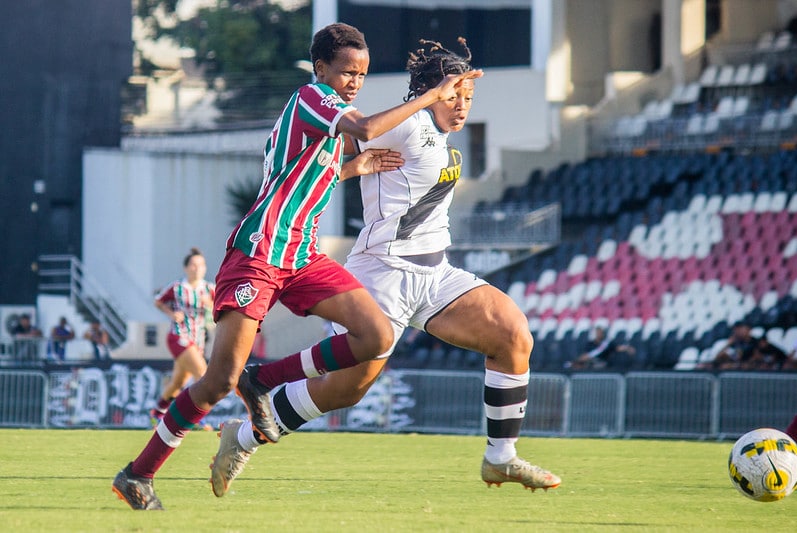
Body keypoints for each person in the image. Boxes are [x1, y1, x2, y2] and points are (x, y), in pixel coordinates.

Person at [112, 22, 482, 510]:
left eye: (362, 74)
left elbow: (309, 173)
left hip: (301, 257)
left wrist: (355, 168)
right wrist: (435, 93)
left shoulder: (326, 120)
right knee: (218, 379)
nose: (354, 81)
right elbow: (367, 129)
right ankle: (138, 474)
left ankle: (262, 380)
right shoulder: (312, 97)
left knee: (375, 336)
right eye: (347, 71)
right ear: (321, 68)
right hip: (260, 254)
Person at [209, 37, 559, 498]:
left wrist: (353, 167)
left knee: (513, 334)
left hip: (436, 274)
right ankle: (244, 433)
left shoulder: (439, 135)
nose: (461, 106)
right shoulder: (410, 123)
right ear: (430, 92)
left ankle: (500, 458)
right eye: (454, 95)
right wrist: (352, 162)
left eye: (468, 98)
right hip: (383, 274)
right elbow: (335, 141)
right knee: (343, 392)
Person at [149, 248, 216, 424]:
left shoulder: (209, 289)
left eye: (201, 265)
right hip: (179, 336)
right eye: (193, 265)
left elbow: (222, 306)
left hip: (198, 339)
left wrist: (210, 304)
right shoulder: (178, 287)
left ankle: (157, 413)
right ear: (186, 268)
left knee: (177, 383)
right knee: (202, 374)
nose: (197, 268)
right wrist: (172, 314)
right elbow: (158, 301)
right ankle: (195, 418)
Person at [567, 326, 635, 370]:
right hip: (591, 362)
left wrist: (627, 348)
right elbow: (587, 355)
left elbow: (617, 348)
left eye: (600, 333)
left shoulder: (607, 344)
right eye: (597, 333)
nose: (598, 334)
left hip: (602, 363)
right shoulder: (590, 344)